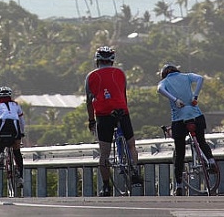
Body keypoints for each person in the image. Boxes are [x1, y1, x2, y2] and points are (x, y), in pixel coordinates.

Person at [85, 46, 143, 197]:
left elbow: (89, 102)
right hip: (122, 112)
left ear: (97, 60)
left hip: (103, 115)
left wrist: (91, 121)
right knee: (131, 145)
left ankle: (106, 186)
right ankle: (135, 171)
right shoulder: (120, 73)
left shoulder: (91, 76)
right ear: (112, 61)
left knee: (104, 153)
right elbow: (123, 94)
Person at [157, 63, 217, 196]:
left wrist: (175, 99)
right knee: (201, 141)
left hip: (179, 120)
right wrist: (195, 96)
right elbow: (201, 78)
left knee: (180, 153)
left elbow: (159, 89)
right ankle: (211, 161)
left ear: (164, 74)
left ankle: (179, 185)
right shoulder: (186, 76)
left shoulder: (165, 81)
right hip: (197, 116)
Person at [0, 86, 25, 186]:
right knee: (17, 151)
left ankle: (1, 153)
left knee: (1, 136)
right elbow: (22, 121)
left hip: (3, 123)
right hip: (15, 124)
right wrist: (22, 132)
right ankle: (20, 176)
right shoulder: (16, 105)